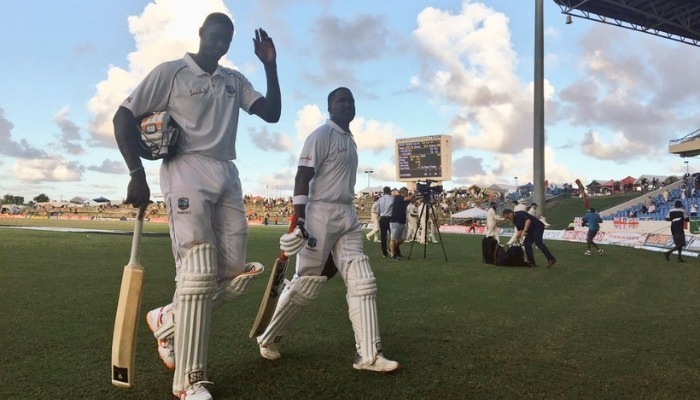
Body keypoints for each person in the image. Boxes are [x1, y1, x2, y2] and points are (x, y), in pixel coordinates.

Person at [113, 13, 281, 400]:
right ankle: (189, 381)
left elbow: (271, 113)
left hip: (226, 171)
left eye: (228, 37)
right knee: (199, 270)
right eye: (215, 33)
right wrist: (135, 172)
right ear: (202, 33)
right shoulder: (172, 72)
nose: (221, 41)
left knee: (235, 276)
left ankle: (168, 319)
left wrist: (270, 66)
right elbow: (123, 115)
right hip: (185, 168)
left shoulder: (233, 81)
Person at [256, 87, 399, 372]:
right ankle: (268, 337)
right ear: (330, 107)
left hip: (346, 212)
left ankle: (368, 356)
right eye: (341, 100)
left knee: (361, 278)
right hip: (319, 212)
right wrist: (300, 220)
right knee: (306, 284)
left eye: (351, 100)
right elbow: (302, 175)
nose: (347, 104)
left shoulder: (350, 140)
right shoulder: (321, 135)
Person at [389, 187, 415, 261]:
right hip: (395, 221)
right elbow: (408, 198)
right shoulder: (398, 197)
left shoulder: (403, 200)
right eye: (406, 193)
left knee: (403, 238)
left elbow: (411, 200)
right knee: (393, 239)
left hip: (402, 221)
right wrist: (413, 195)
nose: (407, 194)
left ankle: (392, 249)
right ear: (403, 192)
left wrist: (417, 196)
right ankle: (392, 255)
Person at [377, 186, 393, 257]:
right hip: (390, 218)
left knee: (383, 236)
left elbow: (378, 211)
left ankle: (384, 253)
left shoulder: (380, 200)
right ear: (390, 191)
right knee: (393, 235)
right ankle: (392, 249)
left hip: (382, 218)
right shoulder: (392, 199)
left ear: (383, 191)